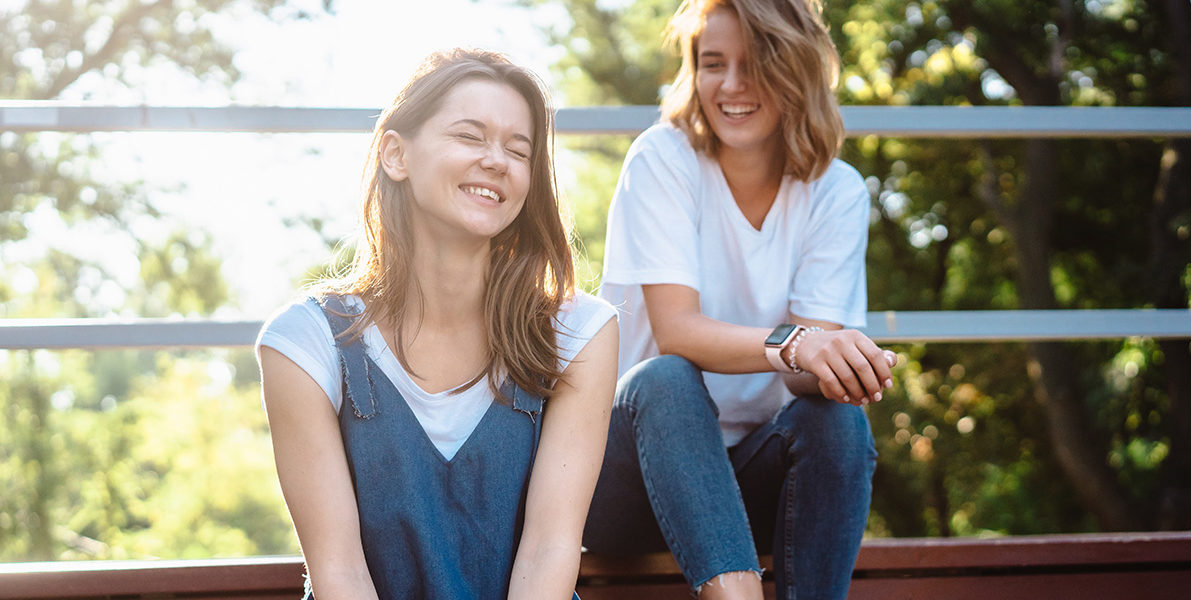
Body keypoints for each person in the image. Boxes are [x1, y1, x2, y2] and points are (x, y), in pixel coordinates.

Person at [256, 48, 618, 600]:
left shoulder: (578, 332)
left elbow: (550, 549)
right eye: (470, 137)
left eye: (518, 150)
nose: (496, 160)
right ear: (395, 155)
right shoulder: (304, 344)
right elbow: (341, 575)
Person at [582, 1, 895, 598]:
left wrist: (843, 366)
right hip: (633, 478)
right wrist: (803, 345)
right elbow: (676, 331)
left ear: (796, 67)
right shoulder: (662, 158)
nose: (730, 86)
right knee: (666, 377)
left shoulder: (837, 193)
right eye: (712, 63)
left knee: (838, 421)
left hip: (746, 483)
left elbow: (808, 379)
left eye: (754, 63)